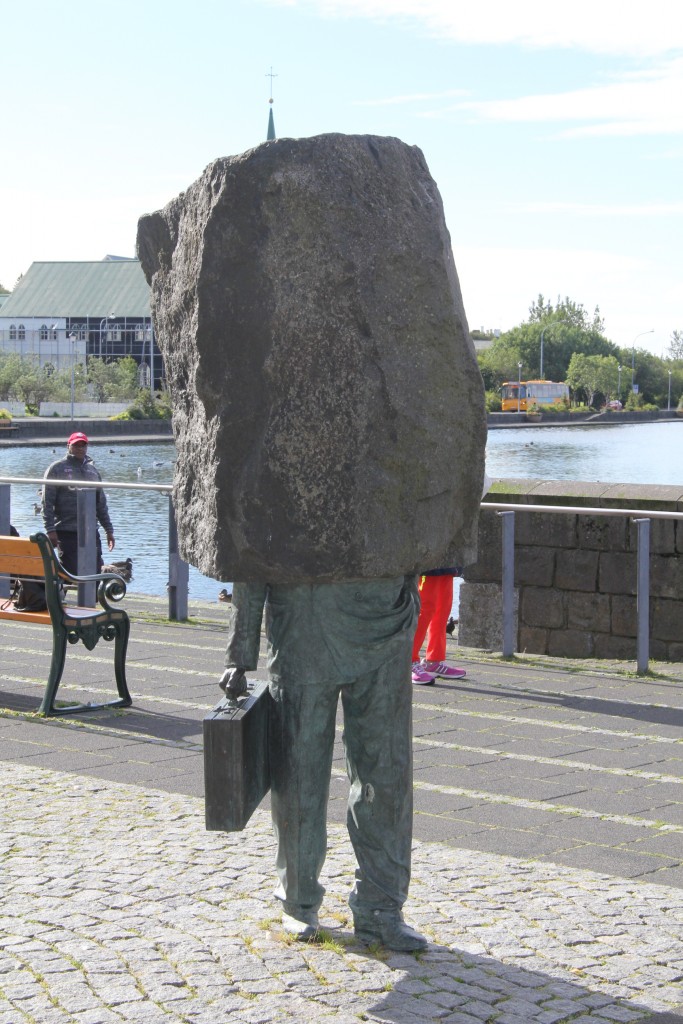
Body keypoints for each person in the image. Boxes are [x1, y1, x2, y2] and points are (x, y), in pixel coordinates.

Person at [219, 576, 427, 952]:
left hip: (385, 621)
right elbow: (250, 538)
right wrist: (240, 651)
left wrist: (409, 601)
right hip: (304, 622)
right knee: (300, 772)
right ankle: (298, 898)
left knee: (388, 773)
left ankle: (382, 906)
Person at [42, 432, 115, 574]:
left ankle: (91, 597)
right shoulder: (56, 468)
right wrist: (50, 530)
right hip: (66, 531)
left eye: (83, 445)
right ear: (68, 446)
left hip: (91, 531)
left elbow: (101, 505)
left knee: (94, 572)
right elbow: (47, 502)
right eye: (76, 445)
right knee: (70, 572)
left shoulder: (93, 471)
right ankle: (59, 596)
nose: (80, 448)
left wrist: (109, 529)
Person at [411, 569, 467, 684]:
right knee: (425, 610)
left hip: (446, 561)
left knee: (442, 609)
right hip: (428, 562)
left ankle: (433, 661)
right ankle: (409, 661)